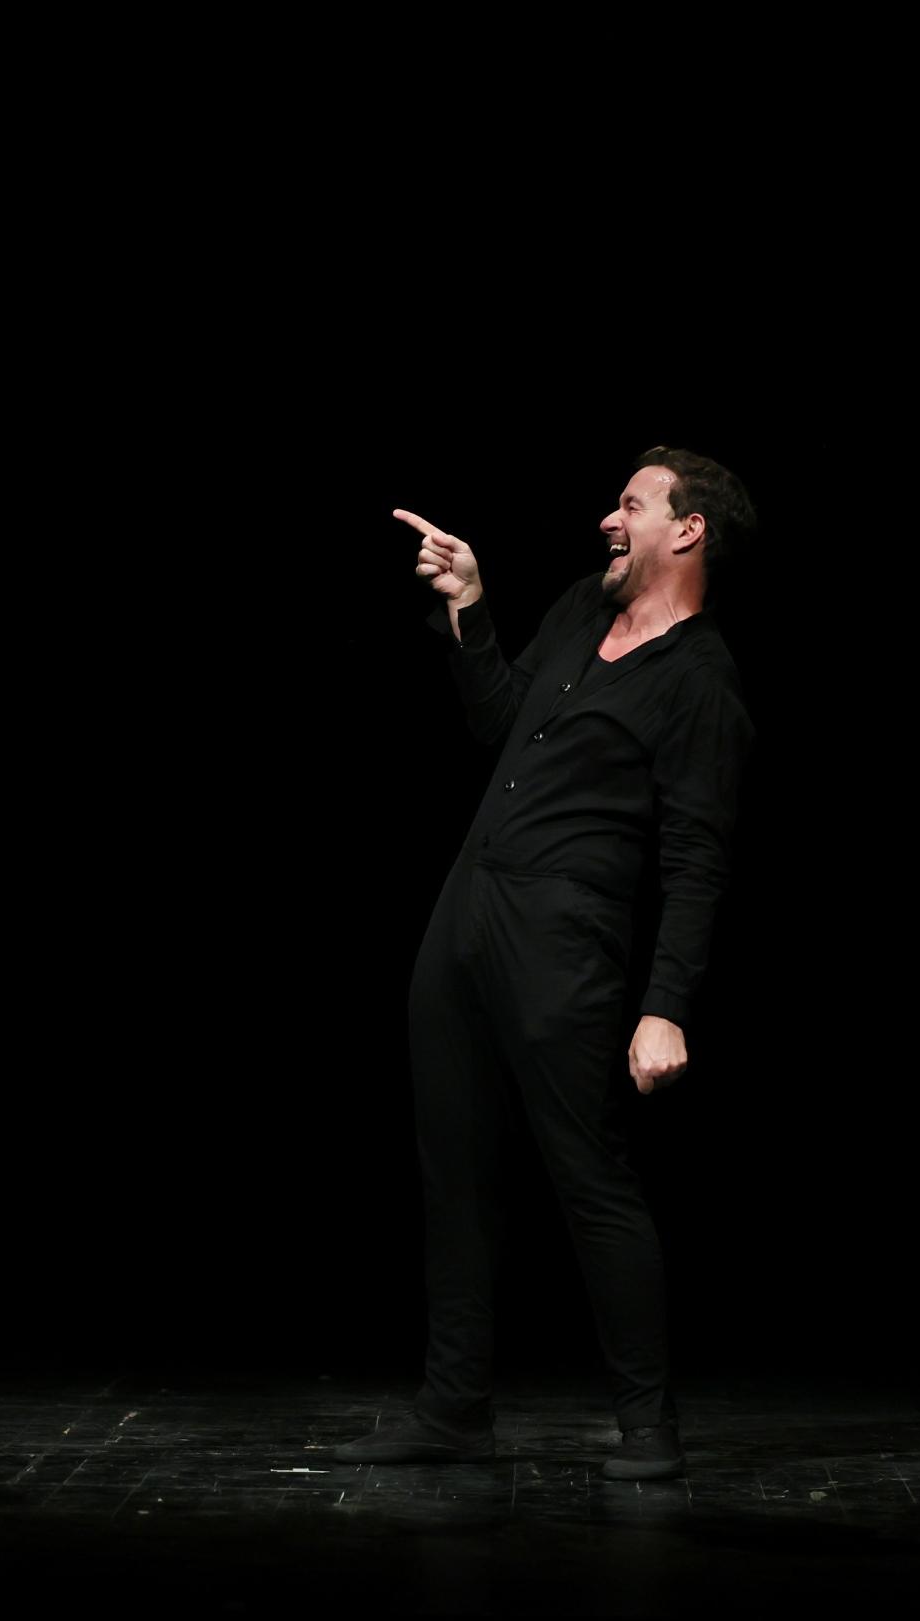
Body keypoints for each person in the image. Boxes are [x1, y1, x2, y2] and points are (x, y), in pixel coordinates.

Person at [333, 448, 758, 1482]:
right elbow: (496, 718)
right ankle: (453, 1409)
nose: (608, 518)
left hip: (564, 944)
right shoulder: (577, 608)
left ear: (687, 529)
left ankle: (647, 1426)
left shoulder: (700, 681)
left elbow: (696, 858)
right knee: (453, 1173)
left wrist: (665, 1005)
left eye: (630, 503)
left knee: (589, 1178)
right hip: (466, 911)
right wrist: (470, 606)